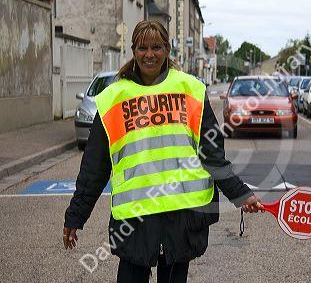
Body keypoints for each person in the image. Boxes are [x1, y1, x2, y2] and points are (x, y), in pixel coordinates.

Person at [63, 20, 262, 283]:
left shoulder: (190, 90)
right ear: (133, 51)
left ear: (167, 49)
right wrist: (76, 215)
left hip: (181, 216)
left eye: (156, 47)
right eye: (142, 48)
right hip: (135, 219)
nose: (149, 54)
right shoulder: (114, 98)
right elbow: (95, 166)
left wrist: (240, 194)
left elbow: (212, 155)